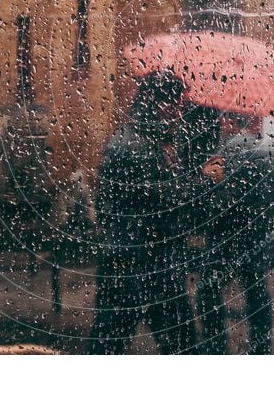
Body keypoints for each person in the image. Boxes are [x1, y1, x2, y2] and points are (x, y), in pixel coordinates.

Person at [89, 71, 197, 354]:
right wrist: (203, 179)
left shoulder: (139, 139)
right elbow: (165, 198)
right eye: (173, 106)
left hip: (133, 260)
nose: (177, 114)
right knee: (180, 344)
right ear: (154, 102)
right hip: (141, 263)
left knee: (109, 342)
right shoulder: (136, 146)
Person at [194, 113, 274, 354]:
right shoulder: (265, 151)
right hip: (255, 233)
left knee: (207, 292)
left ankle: (216, 348)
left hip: (225, 235)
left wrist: (209, 183)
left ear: (231, 121)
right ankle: (261, 348)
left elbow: (223, 200)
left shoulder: (227, 151)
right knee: (256, 292)